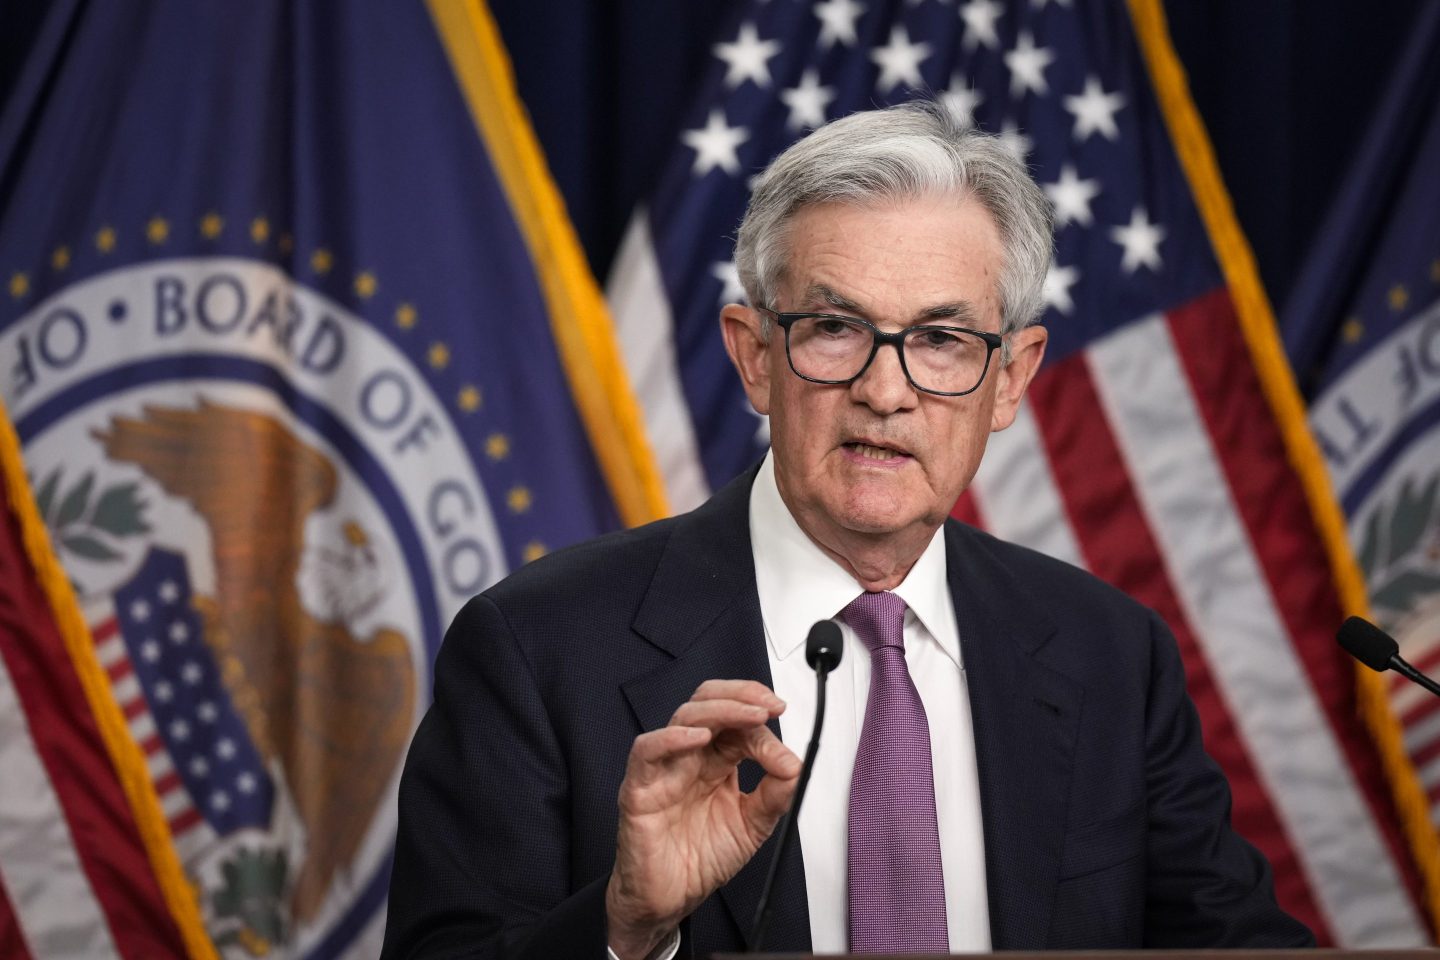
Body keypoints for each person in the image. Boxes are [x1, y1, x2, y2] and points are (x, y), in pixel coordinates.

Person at [381, 100, 1313, 958]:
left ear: (1011, 381)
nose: (885, 389)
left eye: (941, 340)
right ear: (755, 356)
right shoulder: (538, 649)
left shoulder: (1110, 654)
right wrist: (625, 929)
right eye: (835, 328)